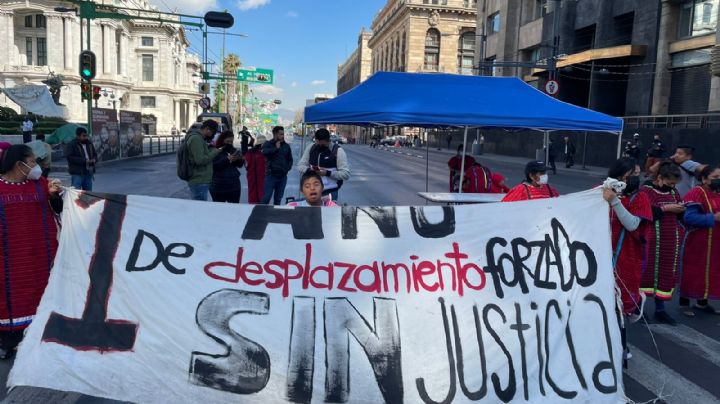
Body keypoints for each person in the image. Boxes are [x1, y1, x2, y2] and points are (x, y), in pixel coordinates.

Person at [0, 144, 62, 358]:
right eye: (33, 162)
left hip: (41, 257)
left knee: (41, 294)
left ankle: (38, 336)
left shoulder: (41, 185)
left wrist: (55, 196)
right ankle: (9, 340)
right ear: (19, 164)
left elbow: (57, 209)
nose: (37, 167)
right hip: (8, 259)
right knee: (10, 298)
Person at [602, 158, 653, 362]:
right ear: (620, 175)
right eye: (633, 173)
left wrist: (613, 201)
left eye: (638, 174)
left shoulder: (640, 198)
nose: (636, 178)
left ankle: (620, 348)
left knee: (618, 306)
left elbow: (632, 225)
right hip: (599, 257)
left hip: (625, 259)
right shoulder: (599, 192)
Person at [639, 162, 686, 325]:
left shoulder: (673, 192)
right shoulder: (646, 191)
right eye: (669, 183)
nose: (672, 187)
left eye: (674, 184)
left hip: (669, 242)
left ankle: (660, 310)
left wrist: (681, 209)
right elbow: (644, 212)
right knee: (646, 274)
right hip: (650, 241)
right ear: (660, 177)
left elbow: (679, 215)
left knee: (665, 275)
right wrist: (667, 209)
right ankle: (638, 308)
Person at [679, 165, 720, 316]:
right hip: (697, 240)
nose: (718, 180)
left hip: (715, 241)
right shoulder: (696, 193)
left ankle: (702, 302)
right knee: (693, 269)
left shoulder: (717, 193)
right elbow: (688, 217)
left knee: (710, 271)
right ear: (704, 179)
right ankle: (684, 302)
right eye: (715, 177)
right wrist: (713, 218)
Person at [297, 128, 351, 202]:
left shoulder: (338, 151)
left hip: (330, 191)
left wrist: (327, 173)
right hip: (312, 191)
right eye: (317, 142)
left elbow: (346, 174)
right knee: (311, 213)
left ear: (328, 140)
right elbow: (300, 166)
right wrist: (309, 170)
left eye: (322, 144)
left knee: (328, 213)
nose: (319, 145)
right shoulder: (311, 148)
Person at [185, 120, 221, 201]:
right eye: (213, 132)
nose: (213, 135)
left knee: (200, 207)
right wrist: (215, 152)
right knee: (199, 209)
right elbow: (200, 160)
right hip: (199, 181)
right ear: (207, 129)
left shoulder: (200, 139)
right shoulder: (196, 139)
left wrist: (210, 149)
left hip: (201, 180)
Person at [261, 126, 293, 205]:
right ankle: (261, 214)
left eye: (283, 134)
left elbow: (290, 159)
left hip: (282, 177)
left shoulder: (286, 146)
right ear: (275, 134)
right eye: (280, 134)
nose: (282, 136)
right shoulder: (268, 144)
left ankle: (275, 215)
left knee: (278, 199)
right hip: (271, 176)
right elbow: (264, 152)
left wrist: (287, 169)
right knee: (266, 198)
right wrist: (276, 148)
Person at [210, 131, 244, 203]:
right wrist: (228, 159)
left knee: (234, 210)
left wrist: (240, 159)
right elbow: (213, 166)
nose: (229, 144)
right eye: (227, 141)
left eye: (231, 142)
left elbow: (240, 165)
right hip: (218, 185)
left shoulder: (233, 150)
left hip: (234, 185)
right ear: (222, 140)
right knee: (219, 210)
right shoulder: (214, 150)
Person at [244, 135, 267, 204]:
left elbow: (246, 165)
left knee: (258, 193)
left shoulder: (250, 152)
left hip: (256, 176)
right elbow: (246, 165)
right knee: (257, 193)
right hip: (255, 177)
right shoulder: (255, 152)